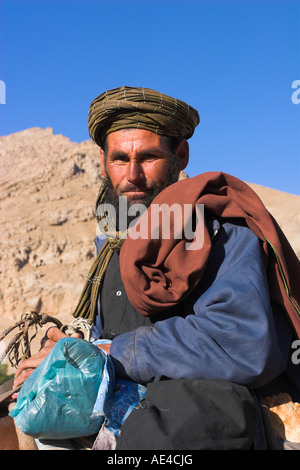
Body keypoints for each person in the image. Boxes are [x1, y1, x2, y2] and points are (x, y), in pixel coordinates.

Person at [13, 86, 300, 450]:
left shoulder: (222, 233)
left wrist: (109, 352)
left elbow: (241, 342)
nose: (132, 174)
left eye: (148, 156)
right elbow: (105, 339)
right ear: (103, 162)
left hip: (196, 425)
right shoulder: (113, 248)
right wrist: (70, 356)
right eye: (119, 159)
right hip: (123, 411)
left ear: (180, 155)